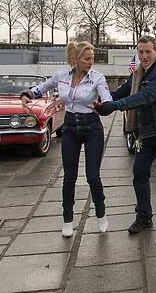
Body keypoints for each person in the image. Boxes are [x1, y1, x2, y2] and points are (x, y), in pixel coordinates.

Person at [98, 35, 156, 239]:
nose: (144, 56)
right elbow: (121, 92)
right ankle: (143, 217)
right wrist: (101, 99)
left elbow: (146, 96)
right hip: (146, 133)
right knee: (139, 175)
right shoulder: (138, 74)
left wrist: (114, 107)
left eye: (148, 51)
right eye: (141, 52)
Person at [21, 41, 113, 238]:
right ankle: (68, 219)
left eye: (92, 59)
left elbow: (107, 99)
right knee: (69, 176)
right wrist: (28, 94)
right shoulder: (62, 75)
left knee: (92, 176)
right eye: (86, 59)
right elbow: (42, 87)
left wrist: (103, 105)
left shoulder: (97, 78)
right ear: (75, 60)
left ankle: (101, 213)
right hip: (70, 127)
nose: (90, 62)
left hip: (91, 128)